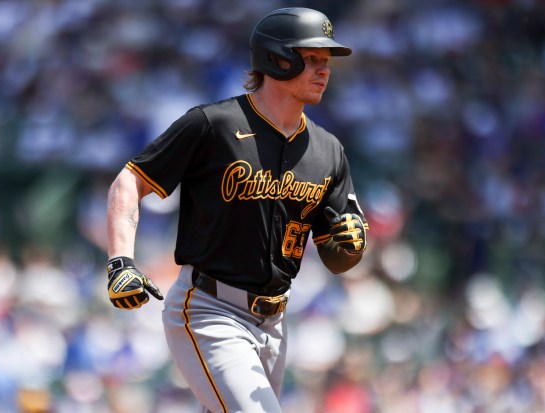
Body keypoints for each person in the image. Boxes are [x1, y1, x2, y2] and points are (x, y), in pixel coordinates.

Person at [105, 7, 368, 412]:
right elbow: (130, 180)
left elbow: (338, 256)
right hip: (210, 307)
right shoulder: (214, 125)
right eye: (312, 58)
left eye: (326, 61)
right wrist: (121, 261)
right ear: (277, 59)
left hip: (276, 319)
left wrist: (350, 245)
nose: (324, 70)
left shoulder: (328, 149)